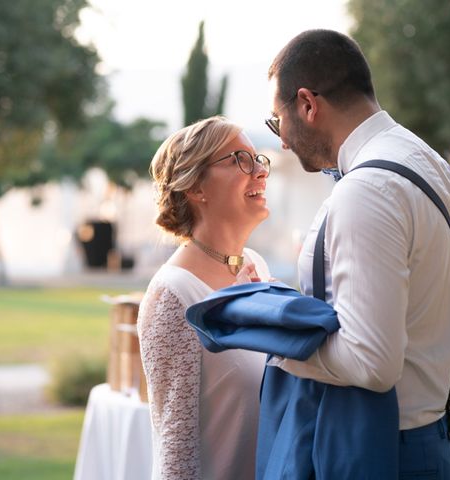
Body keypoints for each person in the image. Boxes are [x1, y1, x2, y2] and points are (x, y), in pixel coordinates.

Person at [263, 29, 450, 478]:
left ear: (307, 105)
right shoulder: (439, 169)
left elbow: (373, 363)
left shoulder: (365, 190)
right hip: (442, 441)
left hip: (382, 450)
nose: (282, 141)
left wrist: (277, 345)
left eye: (277, 121)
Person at [137, 116, 272, 479]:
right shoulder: (174, 295)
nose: (259, 172)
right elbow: (176, 446)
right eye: (239, 160)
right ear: (196, 187)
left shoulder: (255, 267)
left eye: (258, 159)